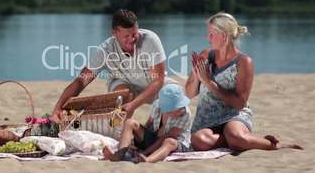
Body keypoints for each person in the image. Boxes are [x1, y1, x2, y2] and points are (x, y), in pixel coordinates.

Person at [185, 12, 302, 151]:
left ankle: (274, 144)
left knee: (236, 138)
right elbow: (188, 94)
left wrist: (210, 83)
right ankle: (235, 139)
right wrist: (196, 75)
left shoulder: (244, 62)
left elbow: (240, 103)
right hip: (207, 118)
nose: (207, 38)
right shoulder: (206, 55)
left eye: (211, 34)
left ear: (223, 36)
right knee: (199, 141)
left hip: (233, 115)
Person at [51, 9, 178, 123]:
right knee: (124, 94)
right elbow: (81, 81)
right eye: (126, 36)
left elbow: (158, 80)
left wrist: (134, 105)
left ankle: (153, 132)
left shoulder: (150, 40)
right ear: (114, 33)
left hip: (151, 83)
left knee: (174, 93)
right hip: (123, 83)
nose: (131, 39)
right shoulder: (105, 50)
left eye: (134, 34)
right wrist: (58, 107)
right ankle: (119, 133)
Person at [103, 83, 192, 163]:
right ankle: (121, 153)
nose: (181, 110)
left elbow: (165, 137)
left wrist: (145, 153)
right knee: (130, 122)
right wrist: (138, 140)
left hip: (175, 144)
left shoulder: (185, 114)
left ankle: (147, 160)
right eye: (178, 108)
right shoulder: (157, 105)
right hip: (155, 138)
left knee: (169, 142)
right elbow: (149, 124)